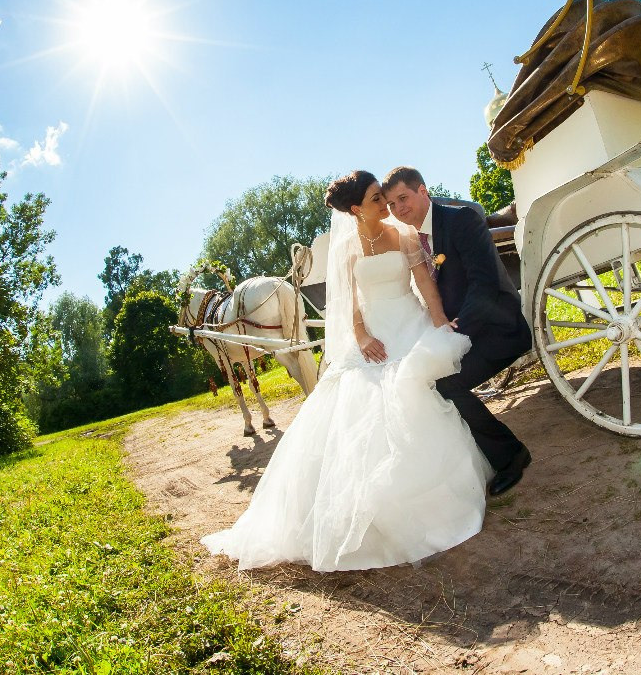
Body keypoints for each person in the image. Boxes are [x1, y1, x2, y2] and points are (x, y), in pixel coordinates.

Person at [202, 170, 492, 572]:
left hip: (408, 322)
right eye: (377, 198)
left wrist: (441, 323)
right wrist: (360, 337)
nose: (386, 204)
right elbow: (348, 305)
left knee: (415, 388)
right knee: (357, 404)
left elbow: (425, 284)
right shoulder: (346, 250)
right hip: (374, 335)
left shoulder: (402, 236)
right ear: (356, 209)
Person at [383, 166, 533, 496]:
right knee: (425, 380)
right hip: (464, 330)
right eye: (391, 204)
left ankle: (511, 456)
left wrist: (455, 334)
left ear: (423, 191)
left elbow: (484, 285)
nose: (398, 208)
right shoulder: (416, 239)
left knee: (444, 383)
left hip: (497, 328)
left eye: (403, 198)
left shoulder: (460, 220)